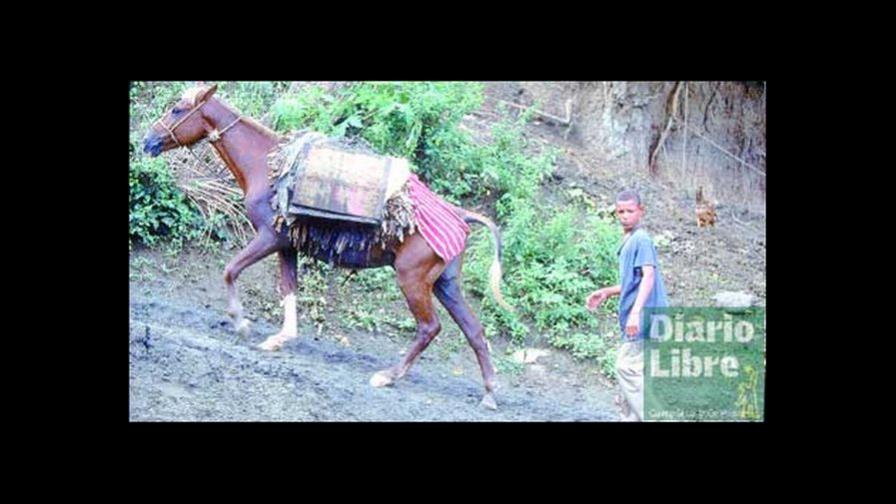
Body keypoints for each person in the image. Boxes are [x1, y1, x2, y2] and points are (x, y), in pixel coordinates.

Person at [586, 189, 668, 421]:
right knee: (634, 376)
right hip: (644, 317)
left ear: (641, 211)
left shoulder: (641, 239)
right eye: (620, 211)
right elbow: (635, 281)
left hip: (646, 318)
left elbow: (649, 276)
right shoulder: (630, 240)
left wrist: (635, 313)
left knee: (626, 368)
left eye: (630, 211)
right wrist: (607, 292)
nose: (625, 216)